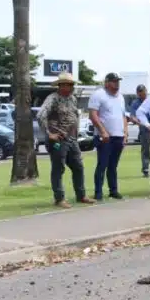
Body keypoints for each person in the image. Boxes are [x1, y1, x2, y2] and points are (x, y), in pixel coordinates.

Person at [36, 72, 95, 208]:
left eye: (72, 84)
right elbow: (41, 115)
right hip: (58, 140)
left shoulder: (73, 99)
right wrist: (49, 133)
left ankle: (81, 195)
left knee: (78, 167)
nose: (71, 87)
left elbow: (75, 116)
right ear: (61, 85)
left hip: (72, 138)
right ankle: (59, 198)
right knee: (58, 168)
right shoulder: (53, 98)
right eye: (69, 84)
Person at [88, 72, 128, 201]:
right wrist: (102, 131)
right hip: (104, 136)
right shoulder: (99, 95)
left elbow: (123, 116)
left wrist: (125, 133)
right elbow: (93, 115)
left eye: (118, 81)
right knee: (102, 164)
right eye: (114, 81)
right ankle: (98, 192)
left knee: (113, 165)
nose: (117, 84)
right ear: (107, 83)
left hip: (118, 135)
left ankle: (113, 190)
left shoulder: (120, 97)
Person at [129, 84, 150, 177]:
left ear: (146, 91)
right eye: (140, 94)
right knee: (145, 150)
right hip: (144, 129)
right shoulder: (135, 103)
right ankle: (145, 169)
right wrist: (136, 121)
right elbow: (132, 116)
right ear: (137, 94)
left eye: (143, 93)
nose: (142, 95)